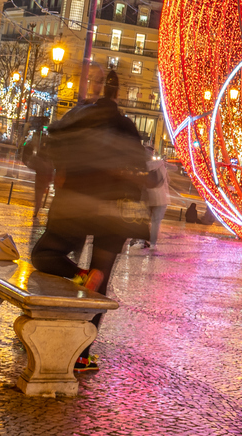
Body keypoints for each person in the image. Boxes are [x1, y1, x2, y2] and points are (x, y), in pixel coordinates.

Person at [30, 79, 153, 373]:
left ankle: (80, 277)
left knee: (44, 254)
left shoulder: (78, 119)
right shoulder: (127, 126)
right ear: (118, 95)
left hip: (78, 204)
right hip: (116, 213)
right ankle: (82, 355)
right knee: (102, 279)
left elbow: (53, 147)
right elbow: (141, 166)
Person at [132, 146, 169, 250]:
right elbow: (167, 181)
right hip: (161, 197)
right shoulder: (161, 165)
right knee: (155, 223)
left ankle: (141, 241)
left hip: (147, 196)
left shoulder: (143, 166)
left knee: (144, 220)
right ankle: (153, 244)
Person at [20, 116, 53, 222]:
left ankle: (37, 208)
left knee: (38, 193)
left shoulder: (42, 152)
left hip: (40, 175)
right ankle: (37, 208)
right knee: (39, 193)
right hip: (44, 175)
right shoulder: (49, 158)